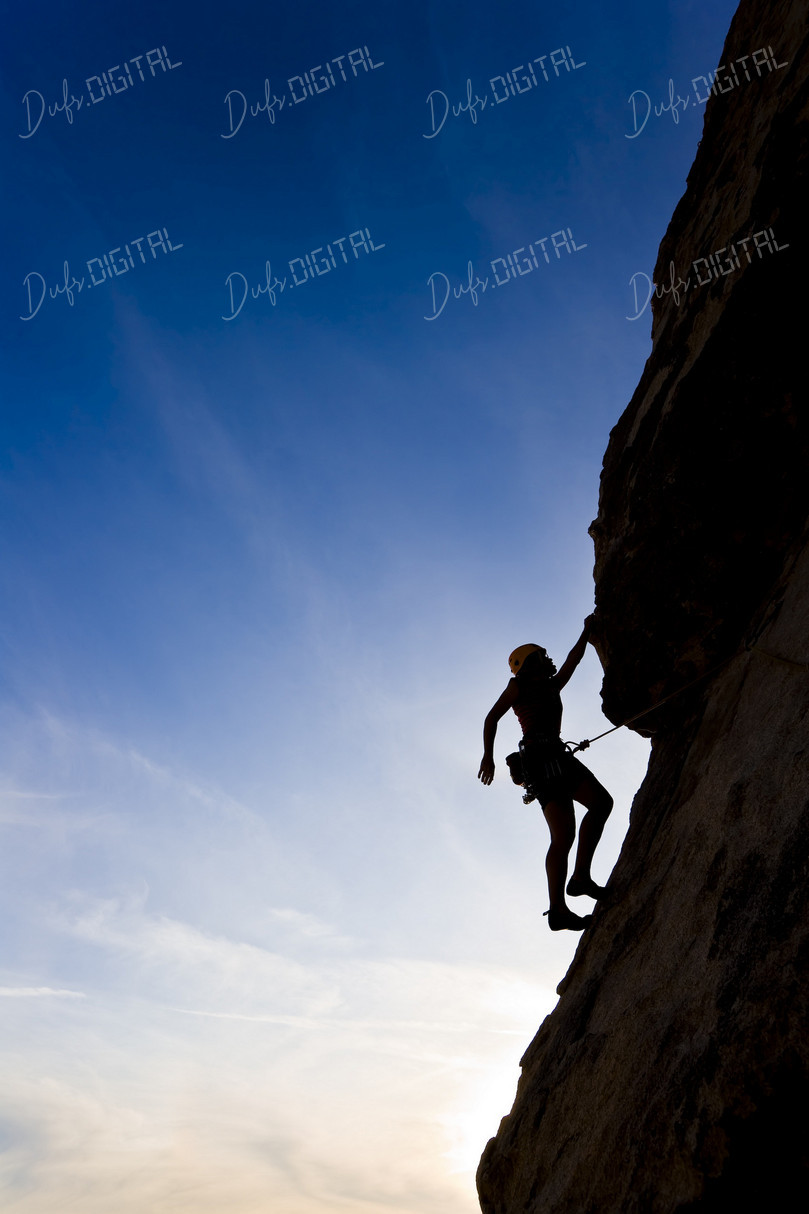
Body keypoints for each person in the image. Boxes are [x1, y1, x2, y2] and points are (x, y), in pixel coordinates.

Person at [478, 616, 613, 931]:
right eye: (540, 655)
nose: (546, 659)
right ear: (529, 662)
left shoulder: (551, 685)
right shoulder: (518, 686)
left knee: (601, 804)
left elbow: (572, 661)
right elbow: (491, 717)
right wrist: (488, 756)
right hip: (542, 761)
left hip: (555, 756)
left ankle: (580, 878)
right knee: (564, 835)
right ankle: (558, 909)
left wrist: (586, 634)